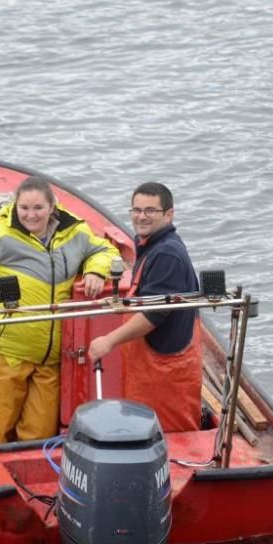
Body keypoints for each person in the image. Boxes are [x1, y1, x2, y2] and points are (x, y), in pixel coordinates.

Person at [0, 176, 120, 445]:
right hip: (5, 353)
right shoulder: (0, 236)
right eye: (24, 208)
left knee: (38, 436)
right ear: (15, 206)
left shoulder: (76, 233)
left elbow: (107, 250)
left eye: (38, 208)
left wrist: (95, 270)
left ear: (52, 207)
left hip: (52, 360)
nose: (30, 215)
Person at [88, 181, 202, 432]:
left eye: (151, 210)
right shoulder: (151, 247)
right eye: (136, 210)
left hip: (165, 373)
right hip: (151, 369)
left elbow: (155, 314)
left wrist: (109, 340)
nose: (142, 216)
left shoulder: (166, 255)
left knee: (165, 435)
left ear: (169, 214)